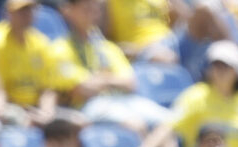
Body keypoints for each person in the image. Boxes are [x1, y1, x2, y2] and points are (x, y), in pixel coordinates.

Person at [138, 40, 238, 147]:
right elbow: (169, 125)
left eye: (226, 66)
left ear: (237, 71)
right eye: (215, 65)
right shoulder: (196, 96)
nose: (219, 71)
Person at [52, 0, 170, 132]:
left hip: (119, 100)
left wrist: (101, 79)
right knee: (135, 124)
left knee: (168, 121)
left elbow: (130, 83)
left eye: (94, 6)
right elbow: (83, 88)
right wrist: (110, 79)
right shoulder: (59, 49)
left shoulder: (108, 47)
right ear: (69, 11)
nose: (92, 11)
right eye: (85, 7)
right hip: (87, 106)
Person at [0, 0, 57, 127]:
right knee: (21, 121)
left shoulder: (41, 43)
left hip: (35, 107)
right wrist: (26, 115)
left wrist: (47, 112)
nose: (27, 14)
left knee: (73, 124)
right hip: (5, 108)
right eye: (21, 11)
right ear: (8, 13)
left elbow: (48, 88)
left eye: (31, 10)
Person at [103, 0, 180, 64]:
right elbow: (107, 41)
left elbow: (176, 15)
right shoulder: (112, 3)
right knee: (165, 58)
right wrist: (139, 51)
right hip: (140, 52)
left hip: (169, 41)